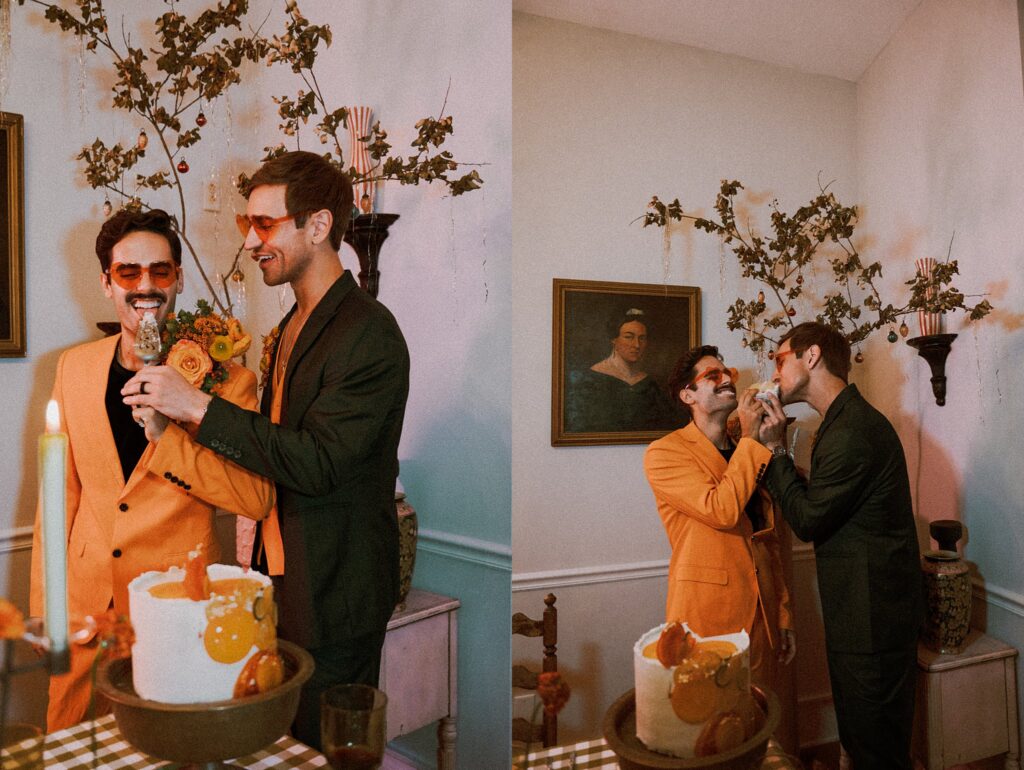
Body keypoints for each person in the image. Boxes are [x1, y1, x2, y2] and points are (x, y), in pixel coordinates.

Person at [124, 150, 410, 750]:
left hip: (337, 594)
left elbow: (318, 463)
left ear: (319, 224)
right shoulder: (287, 329)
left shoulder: (368, 331)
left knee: (325, 751)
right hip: (279, 580)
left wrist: (196, 406)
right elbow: (269, 453)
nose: (251, 241)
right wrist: (172, 430)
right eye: (246, 223)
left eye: (264, 224)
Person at [29, 208, 274, 731]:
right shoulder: (74, 368)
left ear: (178, 278)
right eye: (128, 272)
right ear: (107, 282)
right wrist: (48, 613)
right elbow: (57, 500)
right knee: (76, 751)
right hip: (85, 615)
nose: (145, 286)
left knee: (170, 747)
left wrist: (168, 435)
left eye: (160, 271)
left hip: (176, 610)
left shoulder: (230, 381)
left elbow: (254, 499)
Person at [757, 321, 922, 769]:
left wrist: (776, 449)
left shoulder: (852, 430)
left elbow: (809, 521)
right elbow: (829, 504)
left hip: (874, 622)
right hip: (860, 615)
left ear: (810, 356)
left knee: (876, 751)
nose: (774, 373)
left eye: (779, 359)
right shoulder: (842, 422)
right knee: (861, 739)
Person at [643, 345, 795, 696]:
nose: (727, 379)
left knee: (758, 716)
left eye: (729, 374)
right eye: (713, 375)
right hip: (706, 618)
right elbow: (721, 510)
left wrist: (783, 614)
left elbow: (767, 537)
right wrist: (752, 438)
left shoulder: (746, 448)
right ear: (688, 395)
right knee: (708, 716)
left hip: (763, 618)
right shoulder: (664, 453)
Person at [566, 308, 686, 432]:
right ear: (614, 339)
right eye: (629, 337)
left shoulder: (651, 385)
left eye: (642, 338)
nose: (637, 345)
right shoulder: (590, 380)